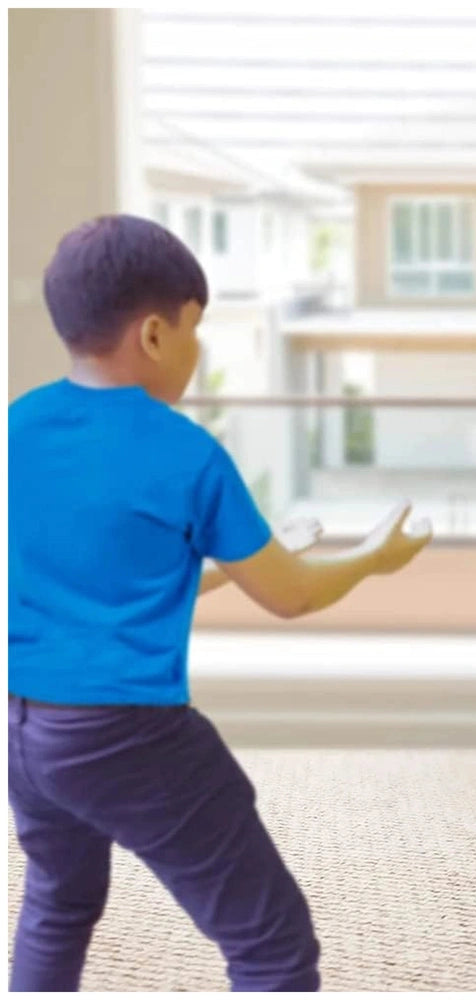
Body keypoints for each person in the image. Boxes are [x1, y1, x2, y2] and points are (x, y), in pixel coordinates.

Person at [8, 214, 433, 991]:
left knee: (58, 903)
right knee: (271, 944)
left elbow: (111, 579)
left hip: (31, 732)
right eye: (194, 330)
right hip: (129, 733)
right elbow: (294, 599)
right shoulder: (186, 453)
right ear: (155, 335)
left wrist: (247, 564)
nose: (198, 354)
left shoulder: (19, 426)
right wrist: (374, 557)